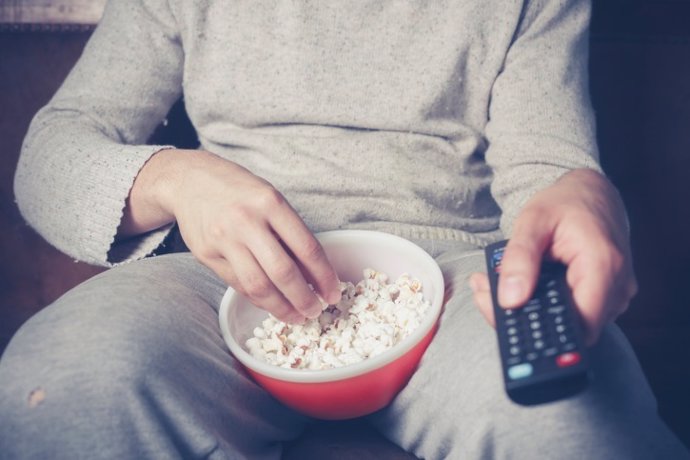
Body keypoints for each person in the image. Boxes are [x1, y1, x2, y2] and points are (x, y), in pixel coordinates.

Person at [1, 0, 688, 458]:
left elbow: (547, 166)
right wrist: (177, 180)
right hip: (219, 285)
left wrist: (583, 193)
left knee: (577, 421)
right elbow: (48, 159)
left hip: (455, 281)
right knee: (59, 381)